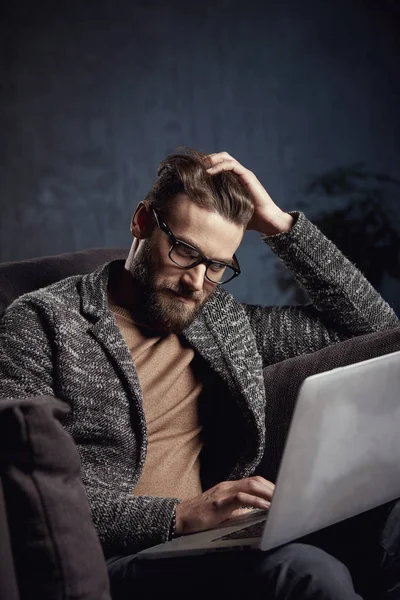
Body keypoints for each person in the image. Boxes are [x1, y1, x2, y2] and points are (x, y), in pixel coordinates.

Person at [0, 149, 399, 599]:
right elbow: (24, 493)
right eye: (186, 252)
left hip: (213, 543)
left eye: (217, 266)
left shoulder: (220, 319)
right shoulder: (41, 323)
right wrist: (179, 515)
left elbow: (377, 331)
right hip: (119, 557)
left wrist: (279, 226)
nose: (196, 283)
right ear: (141, 221)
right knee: (305, 574)